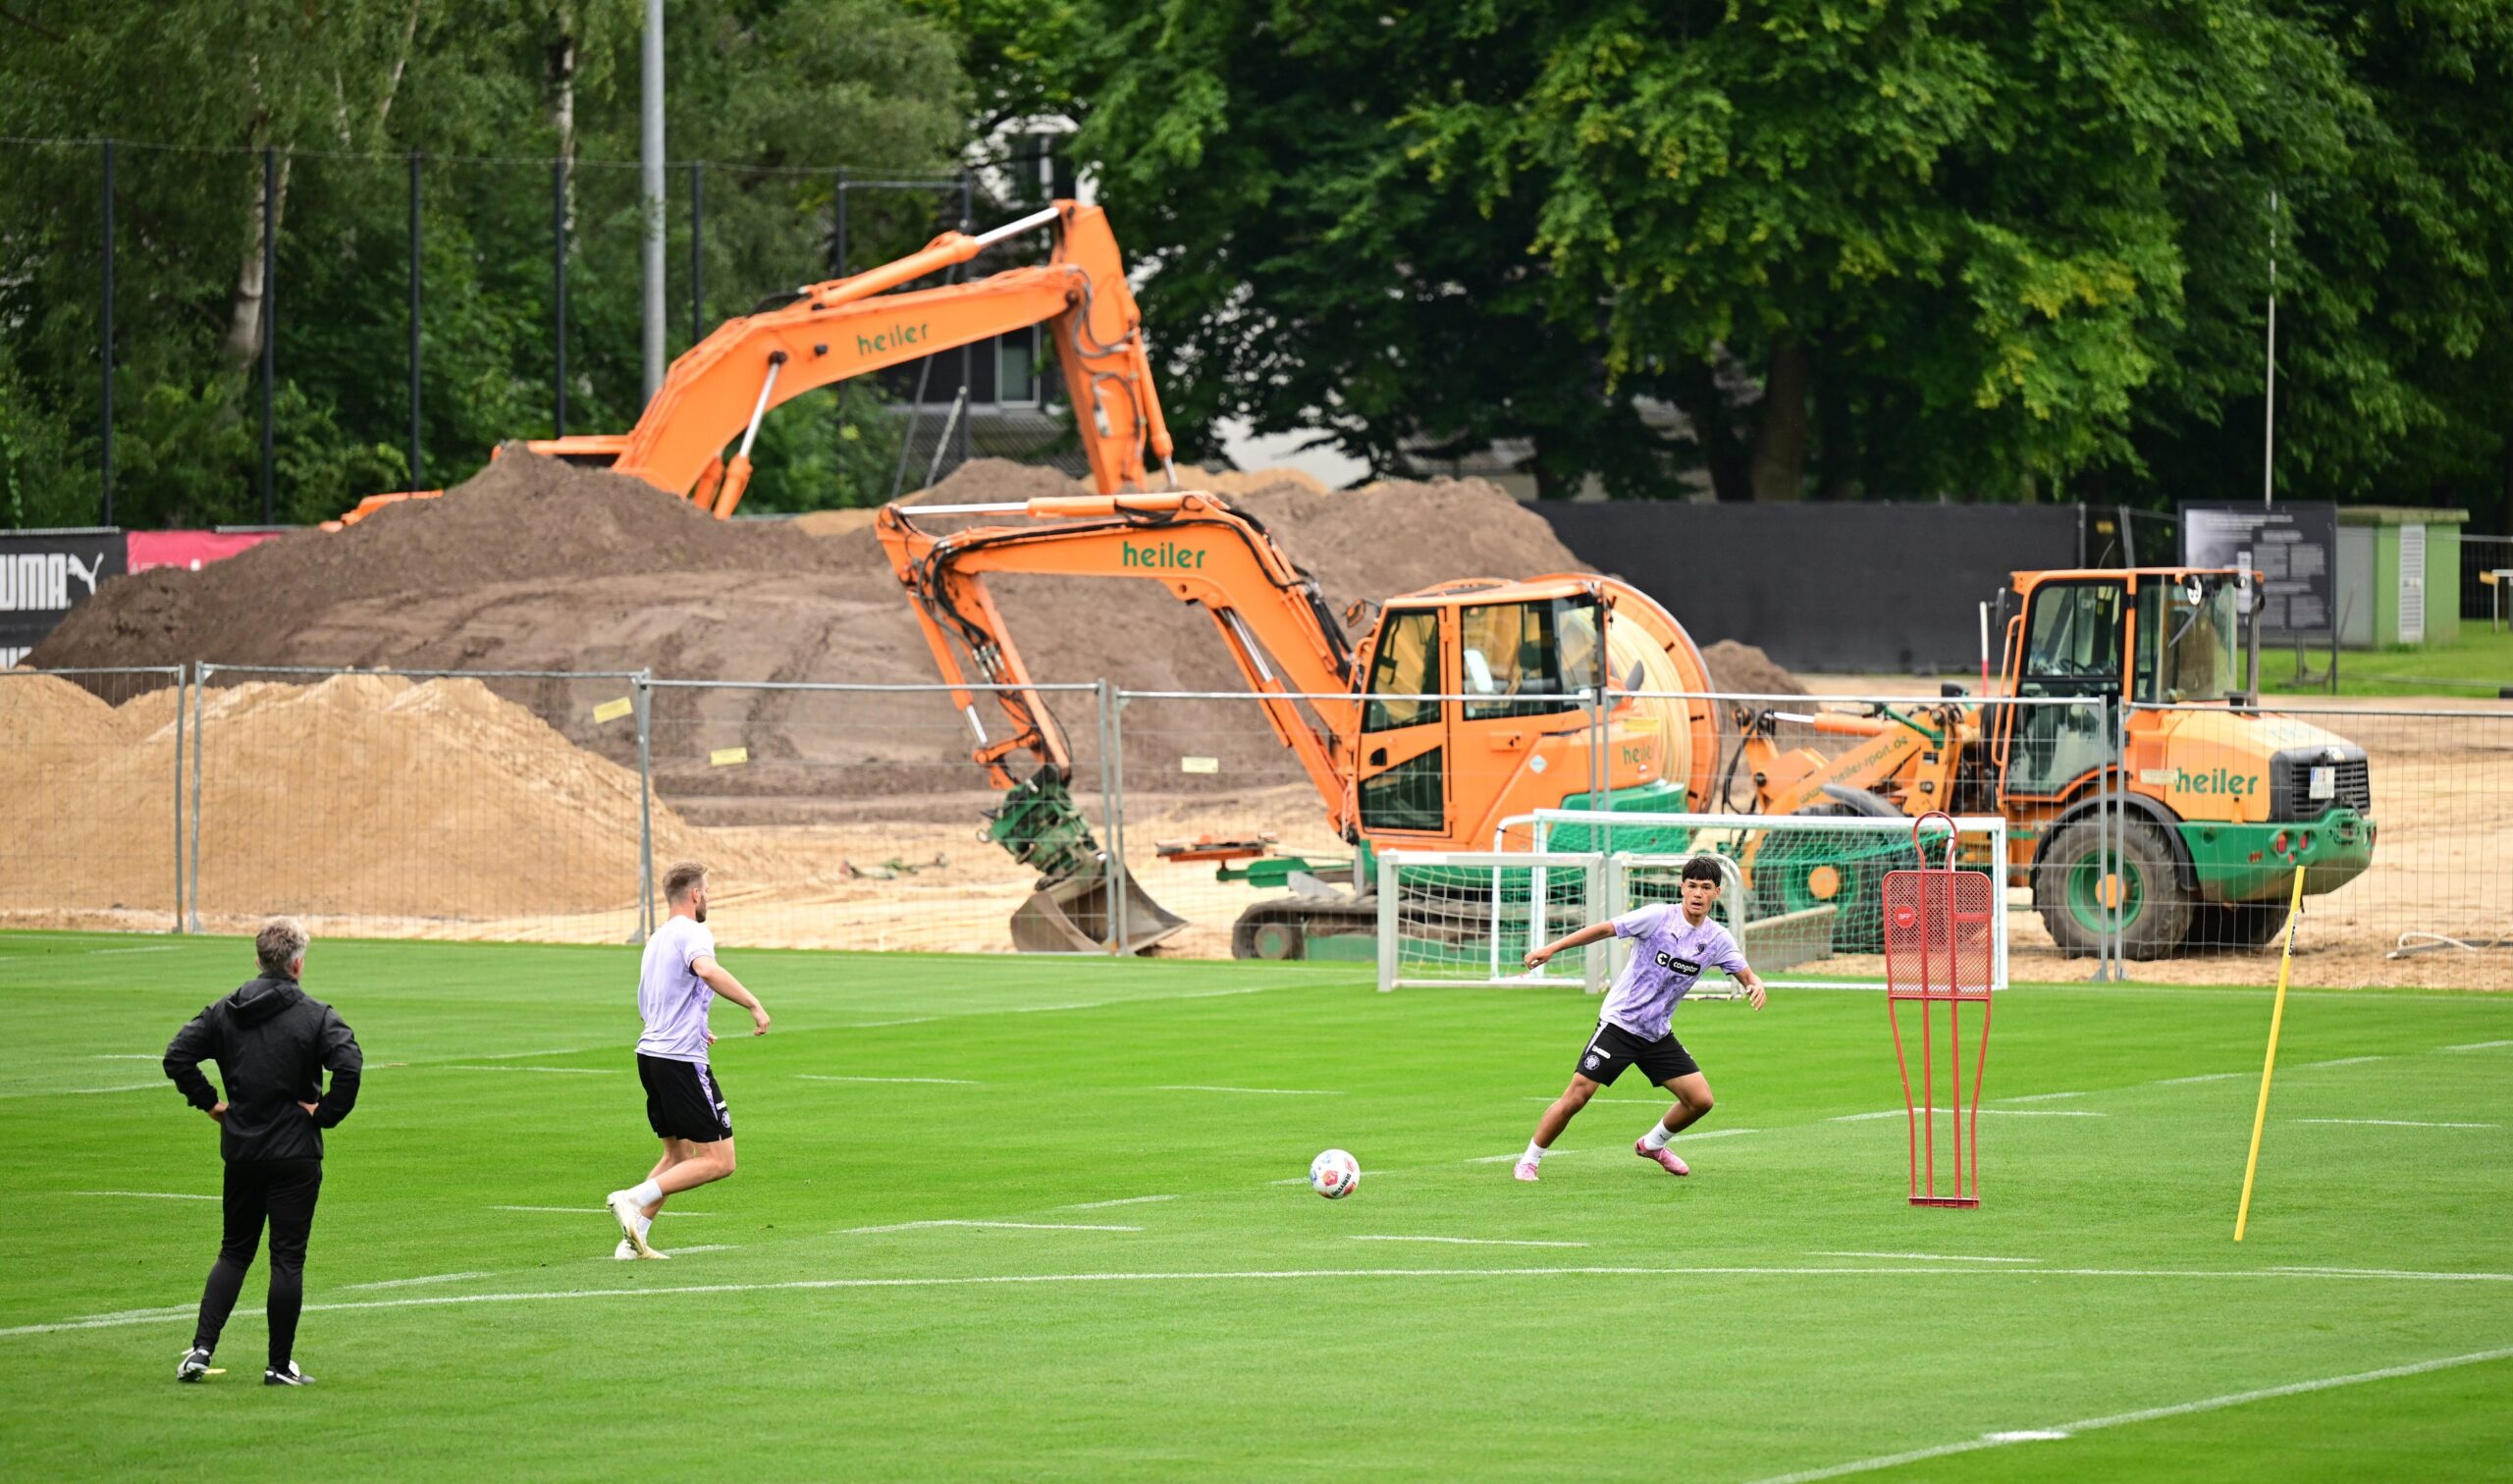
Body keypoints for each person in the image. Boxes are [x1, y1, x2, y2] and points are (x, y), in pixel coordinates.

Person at [163, 917, 362, 1385]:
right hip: (295, 1152)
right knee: (287, 1258)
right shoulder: (316, 1016)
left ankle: (200, 1350)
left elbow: (177, 1055)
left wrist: (212, 1103)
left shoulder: (225, 1011)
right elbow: (349, 1065)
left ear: (258, 960)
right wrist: (323, 1114)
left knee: (234, 1251)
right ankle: (278, 1365)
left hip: (244, 1149)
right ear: (297, 964)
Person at [1513, 857, 1766, 1182]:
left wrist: (1755, 984)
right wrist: (1552, 948)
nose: (1697, 894)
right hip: (1619, 1025)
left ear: (1717, 892)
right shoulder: (1658, 917)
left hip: (1656, 1034)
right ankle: (1529, 1160)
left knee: (1700, 1100)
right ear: (1682, 888)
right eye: (1692, 886)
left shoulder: (1717, 939)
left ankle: (1652, 1144)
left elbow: (1746, 974)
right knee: (1578, 1095)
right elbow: (1606, 928)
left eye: (1705, 888)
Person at [607, 861, 770, 1259]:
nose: (708, 898)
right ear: (695, 895)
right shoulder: (694, 931)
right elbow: (707, 970)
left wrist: (696, 1026)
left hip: (651, 1056)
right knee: (719, 1161)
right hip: (680, 1061)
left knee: (676, 1155)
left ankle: (634, 1240)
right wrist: (753, 1003)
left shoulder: (656, 939)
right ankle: (632, 1197)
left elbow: (649, 1007)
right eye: (707, 891)